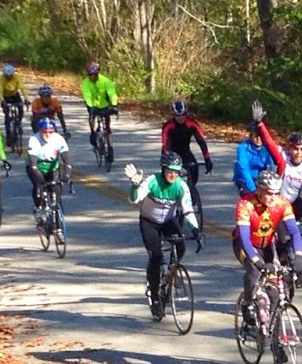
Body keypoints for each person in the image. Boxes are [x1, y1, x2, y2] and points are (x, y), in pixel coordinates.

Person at [124, 153, 202, 318]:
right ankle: (154, 297)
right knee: (156, 256)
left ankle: (171, 272)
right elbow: (134, 199)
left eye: (176, 171)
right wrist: (135, 186)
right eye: (169, 171)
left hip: (168, 221)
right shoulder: (152, 181)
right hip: (149, 222)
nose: (173, 175)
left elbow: (188, 209)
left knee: (180, 245)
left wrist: (196, 230)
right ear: (163, 170)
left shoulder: (181, 186)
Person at [250, 103, 302, 235]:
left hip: (293, 202)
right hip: (275, 202)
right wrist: (260, 124)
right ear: (289, 149)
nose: (298, 153)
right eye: (295, 149)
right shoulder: (282, 158)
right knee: (285, 238)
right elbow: (269, 142)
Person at [233, 169, 302, 314]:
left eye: (276, 193)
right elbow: (244, 238)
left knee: (274, 291)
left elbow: (294, 232)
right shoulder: (245, 204)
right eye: (269, 193)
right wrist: (258, 262)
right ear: (259, 190)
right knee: (254, 271)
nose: (273, 197)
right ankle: (247, 303)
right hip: (245, 245)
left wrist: (298, 256)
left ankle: (270, 322)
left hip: (266, 245)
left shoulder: (282, 204)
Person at [161, 98, 213, 209]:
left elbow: (201, 142)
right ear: (173, 115)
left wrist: (207, 159)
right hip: (171, 153)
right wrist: (168, 162)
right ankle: (168, 198)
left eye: (183, 115)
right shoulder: (168, 126)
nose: (181, 118)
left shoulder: (192, 124)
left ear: (186, 114)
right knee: (169, 177)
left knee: (194, 169)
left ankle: (189, 192)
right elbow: (165, 145)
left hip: (185, 152)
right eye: (177, 115)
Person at [26, 117, 73, 212]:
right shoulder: (34, 140)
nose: (47, 135)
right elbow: (33, 164)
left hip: (52, 167)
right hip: (37, 167)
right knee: (38, 188)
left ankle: (57, 211)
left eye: (51, 132)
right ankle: (38, 208)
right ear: (40, 131)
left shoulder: (58, 139)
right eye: (44, 132)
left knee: (57, 189)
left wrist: (67, 175)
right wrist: (41, 181)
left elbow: (67, 160)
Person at [80, 61, 119, 149]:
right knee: (91, 118)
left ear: (97, 74)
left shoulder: (105, 81)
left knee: (107, 128)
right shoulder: (86, 82)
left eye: (93, 75)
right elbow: (87, 95)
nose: (91, 77)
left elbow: (112, 93)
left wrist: (114, 105)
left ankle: (110, 147)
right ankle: (92, 132)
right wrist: (90, 106)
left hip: (104, 105)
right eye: (89, 75)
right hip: (93, 105)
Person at [232, 122, 277, 194]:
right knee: (248, 195)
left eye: (260, 136)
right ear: (250, 136)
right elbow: (244, 168)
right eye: (255, 136)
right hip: (244, 178)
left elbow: (271, 167)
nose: (258, 138)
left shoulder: (268, 147)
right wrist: (252, 188)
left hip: (261, 178)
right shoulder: (243, 147)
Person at [0, 64, 27, 133]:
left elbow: (23, 88)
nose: (9, 77)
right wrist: (2, 100)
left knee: (21, 108)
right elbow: (0, 91)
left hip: (15, 95)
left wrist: (26, 99)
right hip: (5, 96)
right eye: (7, 76)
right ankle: (8, 131)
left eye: (10, 75)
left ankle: (19, 122)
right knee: (7, 114)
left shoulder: (17, 77)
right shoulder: (2, 78)